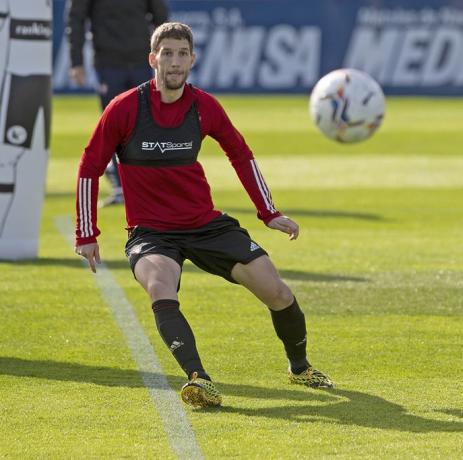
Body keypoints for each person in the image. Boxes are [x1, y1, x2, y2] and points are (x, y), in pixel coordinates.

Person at [73, 22, 334, 408]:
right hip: (151, 233)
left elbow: (240, 153)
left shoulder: (204, 106)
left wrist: (268, 212)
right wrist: (86, 233)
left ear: (192, 60)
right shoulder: (125, 107)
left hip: (205, 225)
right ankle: (199, 379)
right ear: (153, 59)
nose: (175, 62)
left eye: (182, 54)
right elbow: (90, 167)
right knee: (160, 287)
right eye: (167, 54)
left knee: (276, 291)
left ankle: (300, 368)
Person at [66, 0, 169, 207]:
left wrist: (165, 53)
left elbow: (160, 16)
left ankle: (146, 185)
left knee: (146, 123)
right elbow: (76, 20)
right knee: (114, 124)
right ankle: (122, 187)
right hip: (108, 61)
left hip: (140, 59)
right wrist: (76, 61)